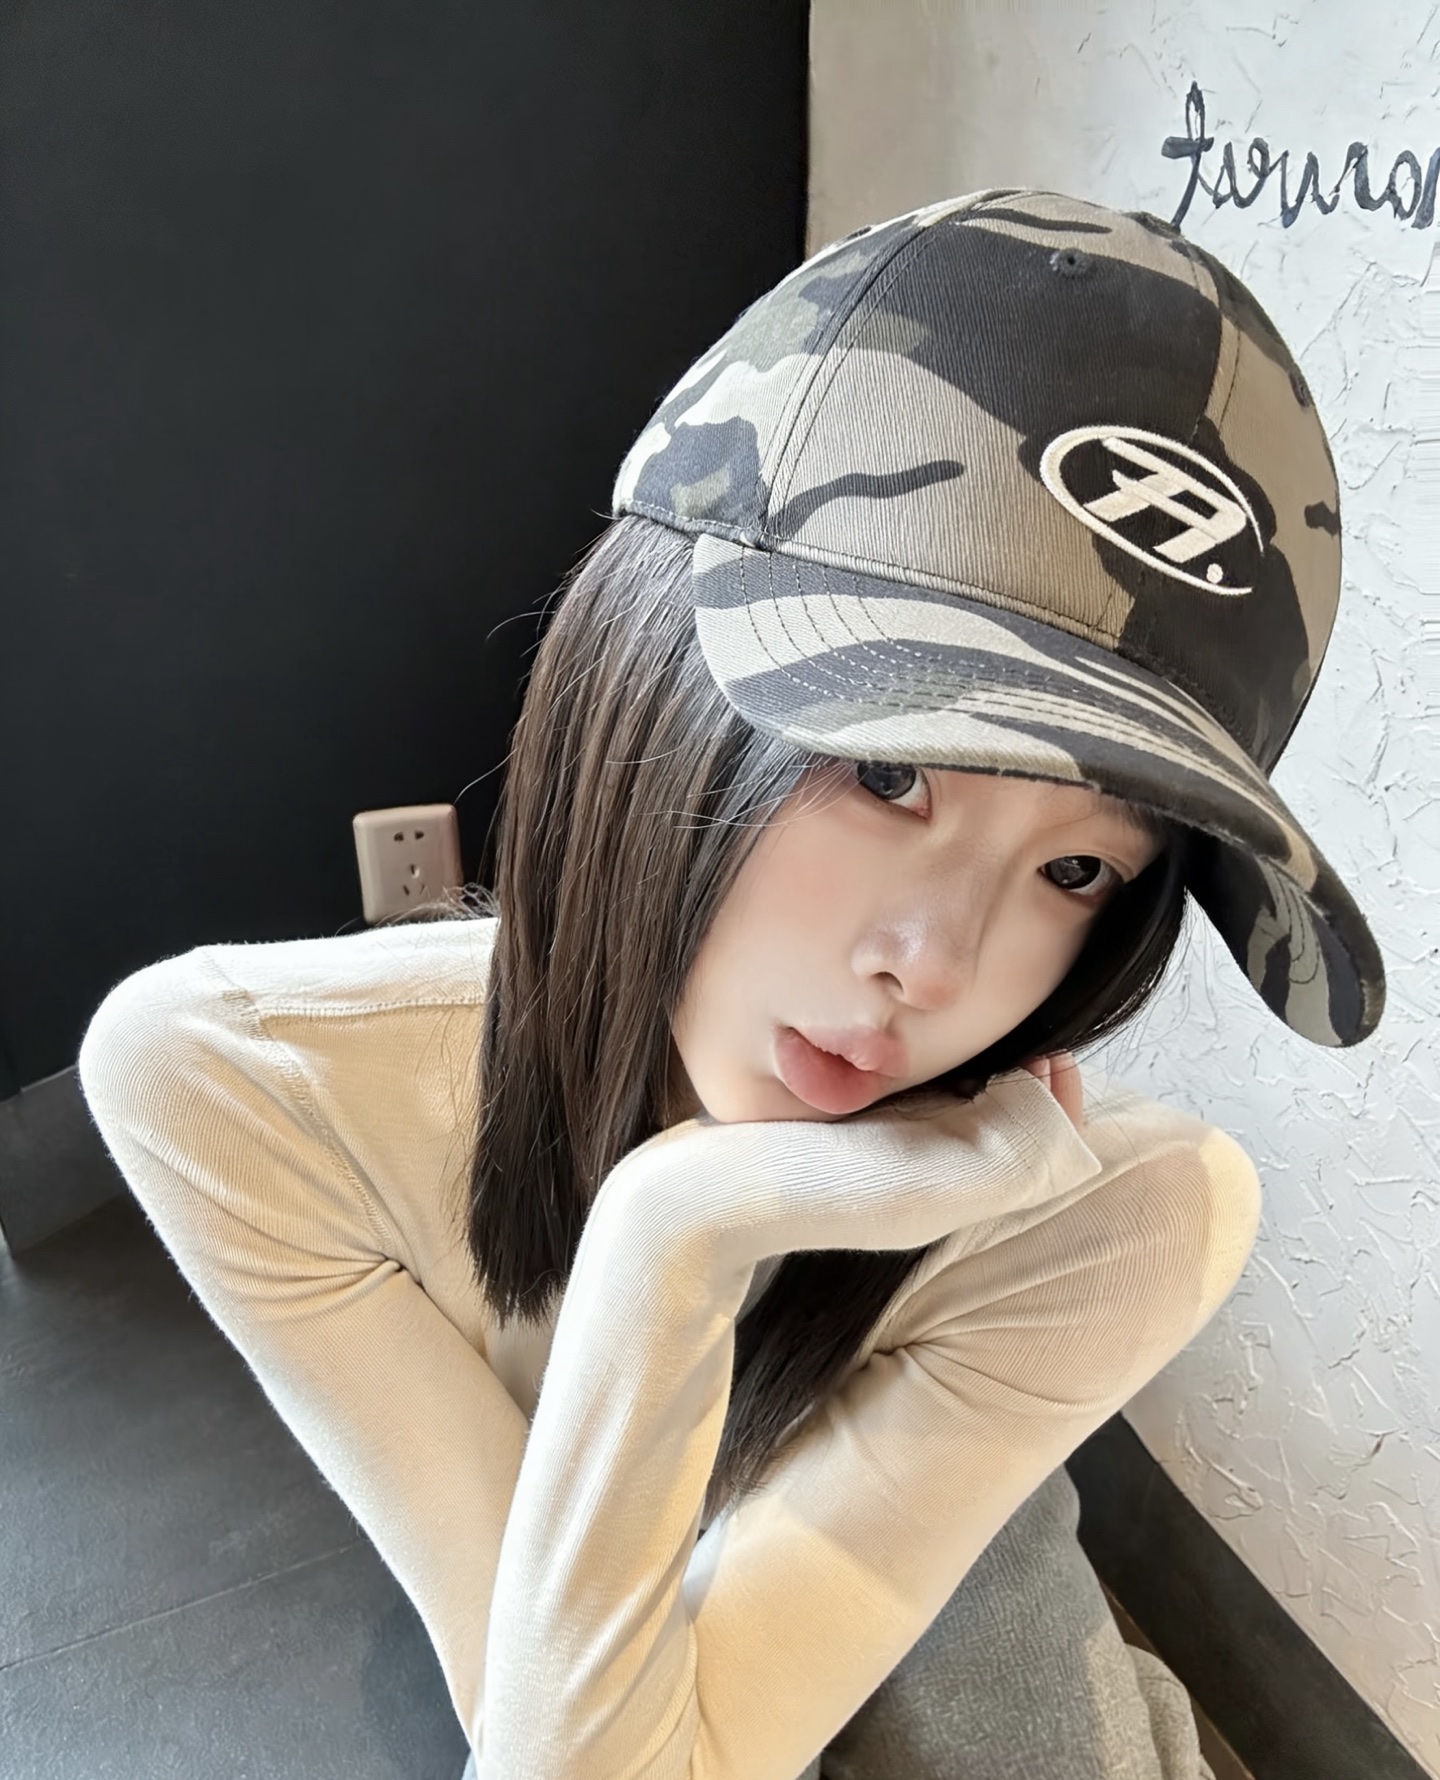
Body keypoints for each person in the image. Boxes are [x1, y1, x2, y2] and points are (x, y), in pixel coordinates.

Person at [77, 189, 1385, 1780]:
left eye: (1075, 873)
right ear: (651, 666)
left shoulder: (1112, 1213)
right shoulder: (242, 1087)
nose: (933, 968)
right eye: (890, 772)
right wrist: (676, 1234)